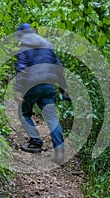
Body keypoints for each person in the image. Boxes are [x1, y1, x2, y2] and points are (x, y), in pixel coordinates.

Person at [15, 23, 69, 163]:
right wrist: (62, 87)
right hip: (48, 85)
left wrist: (19, 91)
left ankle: (35, 142)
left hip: (32, 86)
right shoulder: (47, 45)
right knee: (51, 117)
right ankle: (60, 151)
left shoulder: (24, 47)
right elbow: (58, 65)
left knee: (24, 113)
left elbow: (22, 69)